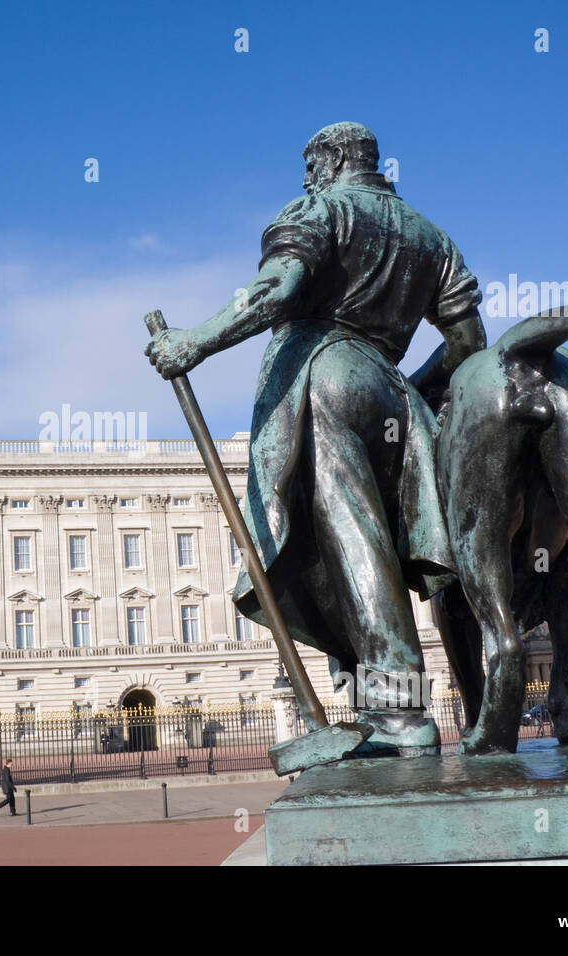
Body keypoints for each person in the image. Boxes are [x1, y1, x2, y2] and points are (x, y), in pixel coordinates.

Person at [146, 122, 486, 756]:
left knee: (348, 532)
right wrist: (400, 387)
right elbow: (468, 346)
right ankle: (372, 699)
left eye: (311, 166)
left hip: (321, 373)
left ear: (331, 161)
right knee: (354, 547)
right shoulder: (431, 236)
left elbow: (278, 289)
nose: (308, 178)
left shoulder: (318, 209)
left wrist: (193, 342)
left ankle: (397, 709)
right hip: (394, 397)